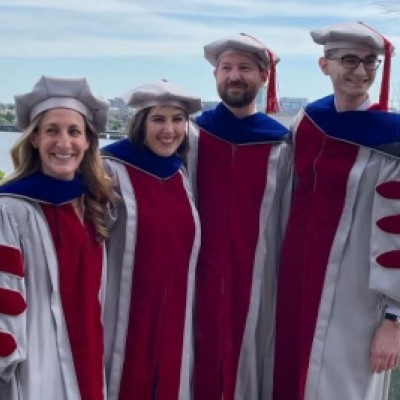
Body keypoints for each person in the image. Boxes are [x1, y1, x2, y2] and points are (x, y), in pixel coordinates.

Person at [273, 22, 400, 400]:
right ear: (324, 65)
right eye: (348, 60)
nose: (360, 71)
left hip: (357, 302)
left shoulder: (391, 141)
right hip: (295, 287)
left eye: (369, 62)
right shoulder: (308, 124)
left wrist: (394, 320)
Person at [187, 33, 292, 400]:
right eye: (227, 68)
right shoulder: (192, 135)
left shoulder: (282, 143)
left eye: (245, 68)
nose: (235, 76)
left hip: (260, 276)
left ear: (264, 77)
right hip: (194, 273)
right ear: (215, 74)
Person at [0, 75, 113, 399]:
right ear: (34, 138)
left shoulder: (93, 203)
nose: (64, 143)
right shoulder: (11, 210)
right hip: (35, 367)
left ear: (88, 141)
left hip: (89, 357)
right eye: (52, 130)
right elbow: (4, 300)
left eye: (74, 131)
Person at [102, 80, 201, 400]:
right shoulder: (110, 170)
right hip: (123, 313)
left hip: (174, 314)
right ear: (140, 123)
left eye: (177, 119)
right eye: (158, 119)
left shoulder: (178, 174)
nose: (169, 130)